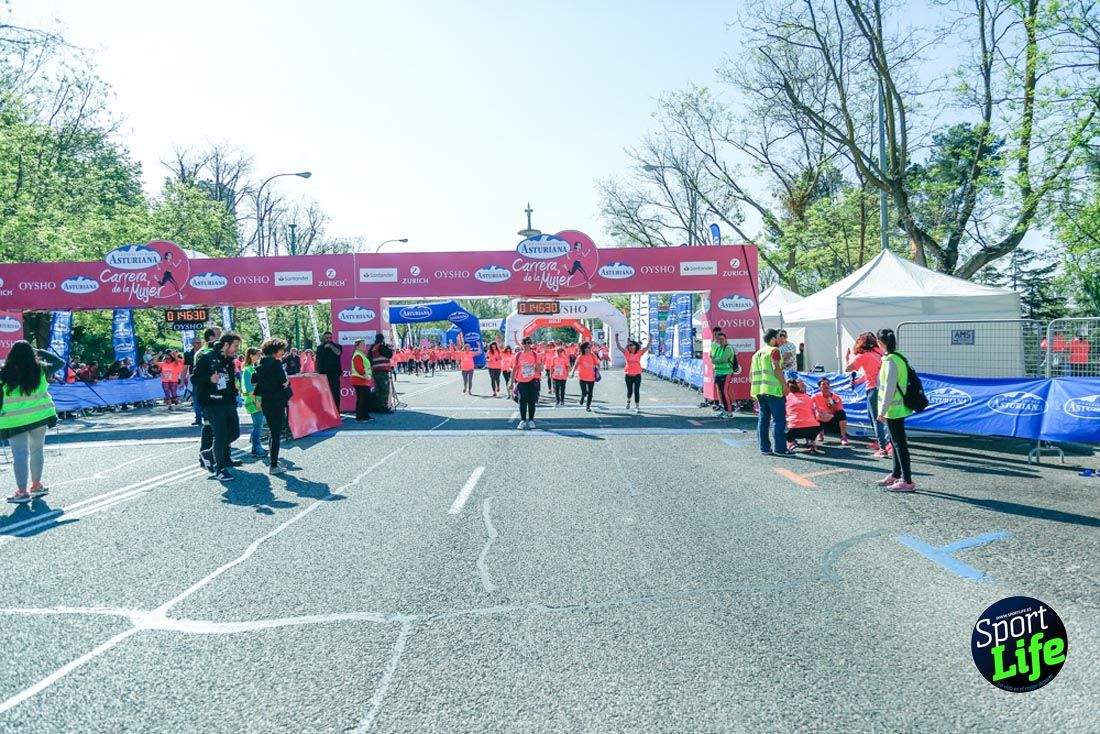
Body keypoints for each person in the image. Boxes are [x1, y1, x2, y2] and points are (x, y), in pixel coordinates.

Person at [1, 342, 62, 503]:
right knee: (37, 451)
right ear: (32, 353)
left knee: (19, 455)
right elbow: (59, 362)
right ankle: (36, 485)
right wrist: (39, 350)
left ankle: (22, 492)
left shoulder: (4, 372)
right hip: (39, 416)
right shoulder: (41, 368)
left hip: (13, 420)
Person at [192, 332, 242, 481]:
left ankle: (208, 453)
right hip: (212, 402)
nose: (237, 350)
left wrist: (235, 393)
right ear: (226, 344)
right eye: (235, 346)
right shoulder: (206, 357)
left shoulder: (229, 360)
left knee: (234, 433)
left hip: (228, 401)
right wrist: (209, 379)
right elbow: (194, 378)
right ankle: (220, 469)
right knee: (220, 435)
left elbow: (231, 380)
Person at [876, 328, 916, 492]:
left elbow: (889, 388)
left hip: (894, 409)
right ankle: (896, 474)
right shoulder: (898, 357)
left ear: (880, 343)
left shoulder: (890, 360)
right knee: (896, 442)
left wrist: (882, 411)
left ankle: (907, 480)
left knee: (899, 444)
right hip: (899, 408)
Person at [846, 332, 888, 457]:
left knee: (876, 419)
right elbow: (869, 374)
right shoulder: (879, 354)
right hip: (882, 389)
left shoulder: (864, 356)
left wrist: (847, 357)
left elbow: (849, 368)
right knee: (874, 417)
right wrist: (858, 381)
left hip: (873, 390)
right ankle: (880, 442)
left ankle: (882, 448)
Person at [253, 338, 292, 475]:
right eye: (282, 349)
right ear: (275, 351)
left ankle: (273, 461)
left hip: (266, 400)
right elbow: (284, 382)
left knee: (272, 431)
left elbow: (254, 380)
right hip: (277, 400)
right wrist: (286, 384)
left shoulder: (260, 364)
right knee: (276, 433)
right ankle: (274, 465)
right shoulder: (276, 364)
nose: (283, 352)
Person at [750, 329, 791, 455]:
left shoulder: (757, 354)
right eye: (779, 337)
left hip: (760, 391)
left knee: (763, 420)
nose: (780, 340)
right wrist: (784, 385)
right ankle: (780, 449)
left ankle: (765, 448)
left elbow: (751, 375)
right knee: (779, 420)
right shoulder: (774, 350)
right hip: (774, 391)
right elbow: (776, 369)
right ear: (773, 338)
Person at [239, 347, 266, 457]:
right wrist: (257, 397)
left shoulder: (252, 368)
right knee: (258, 424)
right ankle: (256, 447)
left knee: (258, 424)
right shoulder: (247, 369)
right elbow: (248, 387)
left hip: (256, 399)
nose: (259, 357)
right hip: (253, 400)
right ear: (251, 355)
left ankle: (256, 446)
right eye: (258, 354)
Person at [785, 379, 823, 454]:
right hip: (814, 428)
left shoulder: (786, 398)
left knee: (780, 422)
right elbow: (814, 412)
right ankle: (812, 442)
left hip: (794, 429)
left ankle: (791, 442)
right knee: (811, 419)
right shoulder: (808, 397)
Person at [616, 333, 651, 413]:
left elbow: (647, 347)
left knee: (636, 391)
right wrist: (616, 338)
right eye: (629, 345)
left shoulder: (639, 353)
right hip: (628, 375)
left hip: (637, 375)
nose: (630, 346)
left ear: (635, 346)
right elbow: (619, 347)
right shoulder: (626, 353)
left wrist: (651, 339)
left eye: (632, 345)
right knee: (629, 391)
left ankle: (637, 406)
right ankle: (628, 401)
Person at [709, 330, 741, 418]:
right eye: (719, 339)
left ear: (726, 339)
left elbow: (721, 359)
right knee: (720, 392)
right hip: (718, 372)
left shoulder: (728, 348)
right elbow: (713, 357)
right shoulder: (718, 348)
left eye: (722, 339)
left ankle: (729, 412)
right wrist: (714, 359)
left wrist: (714, 360)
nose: (721, 341)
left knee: (725, 392)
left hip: (726, 373)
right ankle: (724, 411)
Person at [512, 336, 541, 429]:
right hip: (521, 381)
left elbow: (539, 368)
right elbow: (514, 368)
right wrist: (511, 382)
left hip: (533, 380)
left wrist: (536, 367)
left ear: (531, 344)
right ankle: (523, 420)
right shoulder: (518, 355)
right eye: (525, 343)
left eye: (529, 343)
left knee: (532, 401)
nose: (527, 345)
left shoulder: (535, 355)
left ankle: (531, 420)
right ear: (522, 344)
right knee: (522, 401)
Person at [812, 377, 850, 446]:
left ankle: (843, 437)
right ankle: (820, 433)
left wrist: (832, 408)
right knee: (813, 415)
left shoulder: (836, 397)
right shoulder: (814, 397)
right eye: (823, 384)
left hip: (832, 421)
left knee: (841, 413)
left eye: (827, 384)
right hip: (820, 419)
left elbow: (838, 411)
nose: (826, 386)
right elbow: (812, 409)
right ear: (819, 387)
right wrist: (820, 414)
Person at [316, 331, 344, 411]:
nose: (328, 339)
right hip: (323, 374)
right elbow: (318, 360)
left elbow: (338, 353)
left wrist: (331, 346)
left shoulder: (337, 346)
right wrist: (317, 371)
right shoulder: (320, 348)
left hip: (335, 373)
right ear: (323, 338)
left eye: (330, 338)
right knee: (324, 394)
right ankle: (326, 412)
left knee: (335, 393)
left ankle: (336, 411)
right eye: (326, 338)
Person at [368, 334, 395, 412]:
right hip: (383, 371)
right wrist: (388, 347)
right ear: (382, 339)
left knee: (378, 389)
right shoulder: (382, 347)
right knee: (384, 390)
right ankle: (384, 407)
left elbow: (369, 358)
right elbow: (390, 355)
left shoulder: (373, 348)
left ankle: (378, 406)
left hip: (375, 371)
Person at [570, 341, 600, 412]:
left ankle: (588, 406)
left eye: (590, 347)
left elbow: (597, 363)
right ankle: (583, 396)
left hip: (591, 377)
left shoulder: (593, 355)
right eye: (588, 348)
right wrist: (572, 372)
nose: (589, 349)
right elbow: (575, 365)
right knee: (584, 392)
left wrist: (598, 368)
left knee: (590, 393)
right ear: (584, 349)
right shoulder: (580, 356)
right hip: (582, 377)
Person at [350, 339, 374, 422]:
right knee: (362, 399)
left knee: (364, 399)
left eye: (364, 344)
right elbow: (359, 368)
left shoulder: (361, 354)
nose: (364, 346)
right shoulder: (358, 355)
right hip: (359, 379)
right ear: (357, 346)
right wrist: (365, 375)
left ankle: (365, 415)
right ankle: (360, 417)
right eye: (362, 344)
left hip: (363, 380)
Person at [184, 337, 203, 425]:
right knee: (196, 399)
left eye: (200, 342)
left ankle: (207, 417)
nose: (199, 344)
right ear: (192, 344)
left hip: (205, 378)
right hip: (194, 379)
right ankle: (198, 418)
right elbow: (185, 368)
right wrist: (181, 380)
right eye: (197, 343)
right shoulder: (188, 354)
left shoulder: (205, 352)